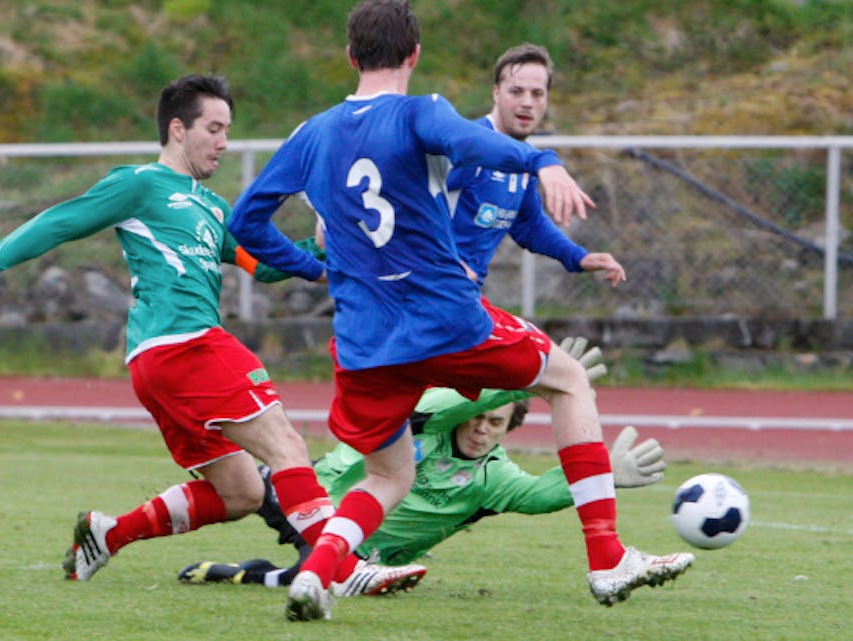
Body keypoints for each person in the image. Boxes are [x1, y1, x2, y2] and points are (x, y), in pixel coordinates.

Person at [227, 0, 692, 620]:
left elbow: (245, 221)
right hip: (445, 318)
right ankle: (607, 559)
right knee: (570, 380)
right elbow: (479, 143)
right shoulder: (423, 112)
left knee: (389, 477)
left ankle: (316, 573)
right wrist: (543, 160)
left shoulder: (313, 132)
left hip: (365, 340)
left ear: (350, 56)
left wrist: (319, 265)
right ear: (415, 54)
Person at [0, 74, 351, 586]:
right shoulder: (140, 184)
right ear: (178, 128)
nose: (224, 142)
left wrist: (323, 249)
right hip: (185, 343)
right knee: (288, 445)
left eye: (227, 131)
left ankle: (108, 535)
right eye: (214, 129)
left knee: (242, 492)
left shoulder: (215, 209)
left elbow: (262, 265)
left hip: (159, 363)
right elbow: (55, 223)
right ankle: (341, 569)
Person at [178, 342, 668, 597]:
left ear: (506, 431)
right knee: (238, 489)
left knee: (326, 575)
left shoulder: (493, 479)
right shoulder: (431, 422)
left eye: (494, 423)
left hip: (364, 548)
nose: (480, 428)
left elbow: (540, 494)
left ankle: (248, 576)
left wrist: (605, 473)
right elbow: (454, 398)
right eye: (478, 417)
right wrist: (532, 381)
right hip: (316, 492)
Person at [447, 43, 626, 287]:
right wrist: (443, 260)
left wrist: (578, 256)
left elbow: (529, 225)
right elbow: (403, 203)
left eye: (537, 94)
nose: (527, 103)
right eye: (516, 92)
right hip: (424, 294)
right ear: (496, 93)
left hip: (461, 295)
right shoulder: (468, 148)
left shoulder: (522, 162)